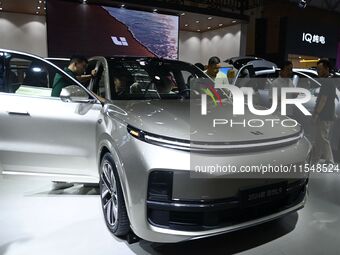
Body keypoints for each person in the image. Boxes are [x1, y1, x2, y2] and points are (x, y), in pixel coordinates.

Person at [311, 59, 336, 164]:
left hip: (324, 115)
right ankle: (315, 160)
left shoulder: (326, 82)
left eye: (320, 69)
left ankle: (330, 160)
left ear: (327, 69)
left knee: (322, 138)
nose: (318, 72)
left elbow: (323, 100)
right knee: (319, 138)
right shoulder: (330, 81)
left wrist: (316, 113)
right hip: (327, 114)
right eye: (317, 69)